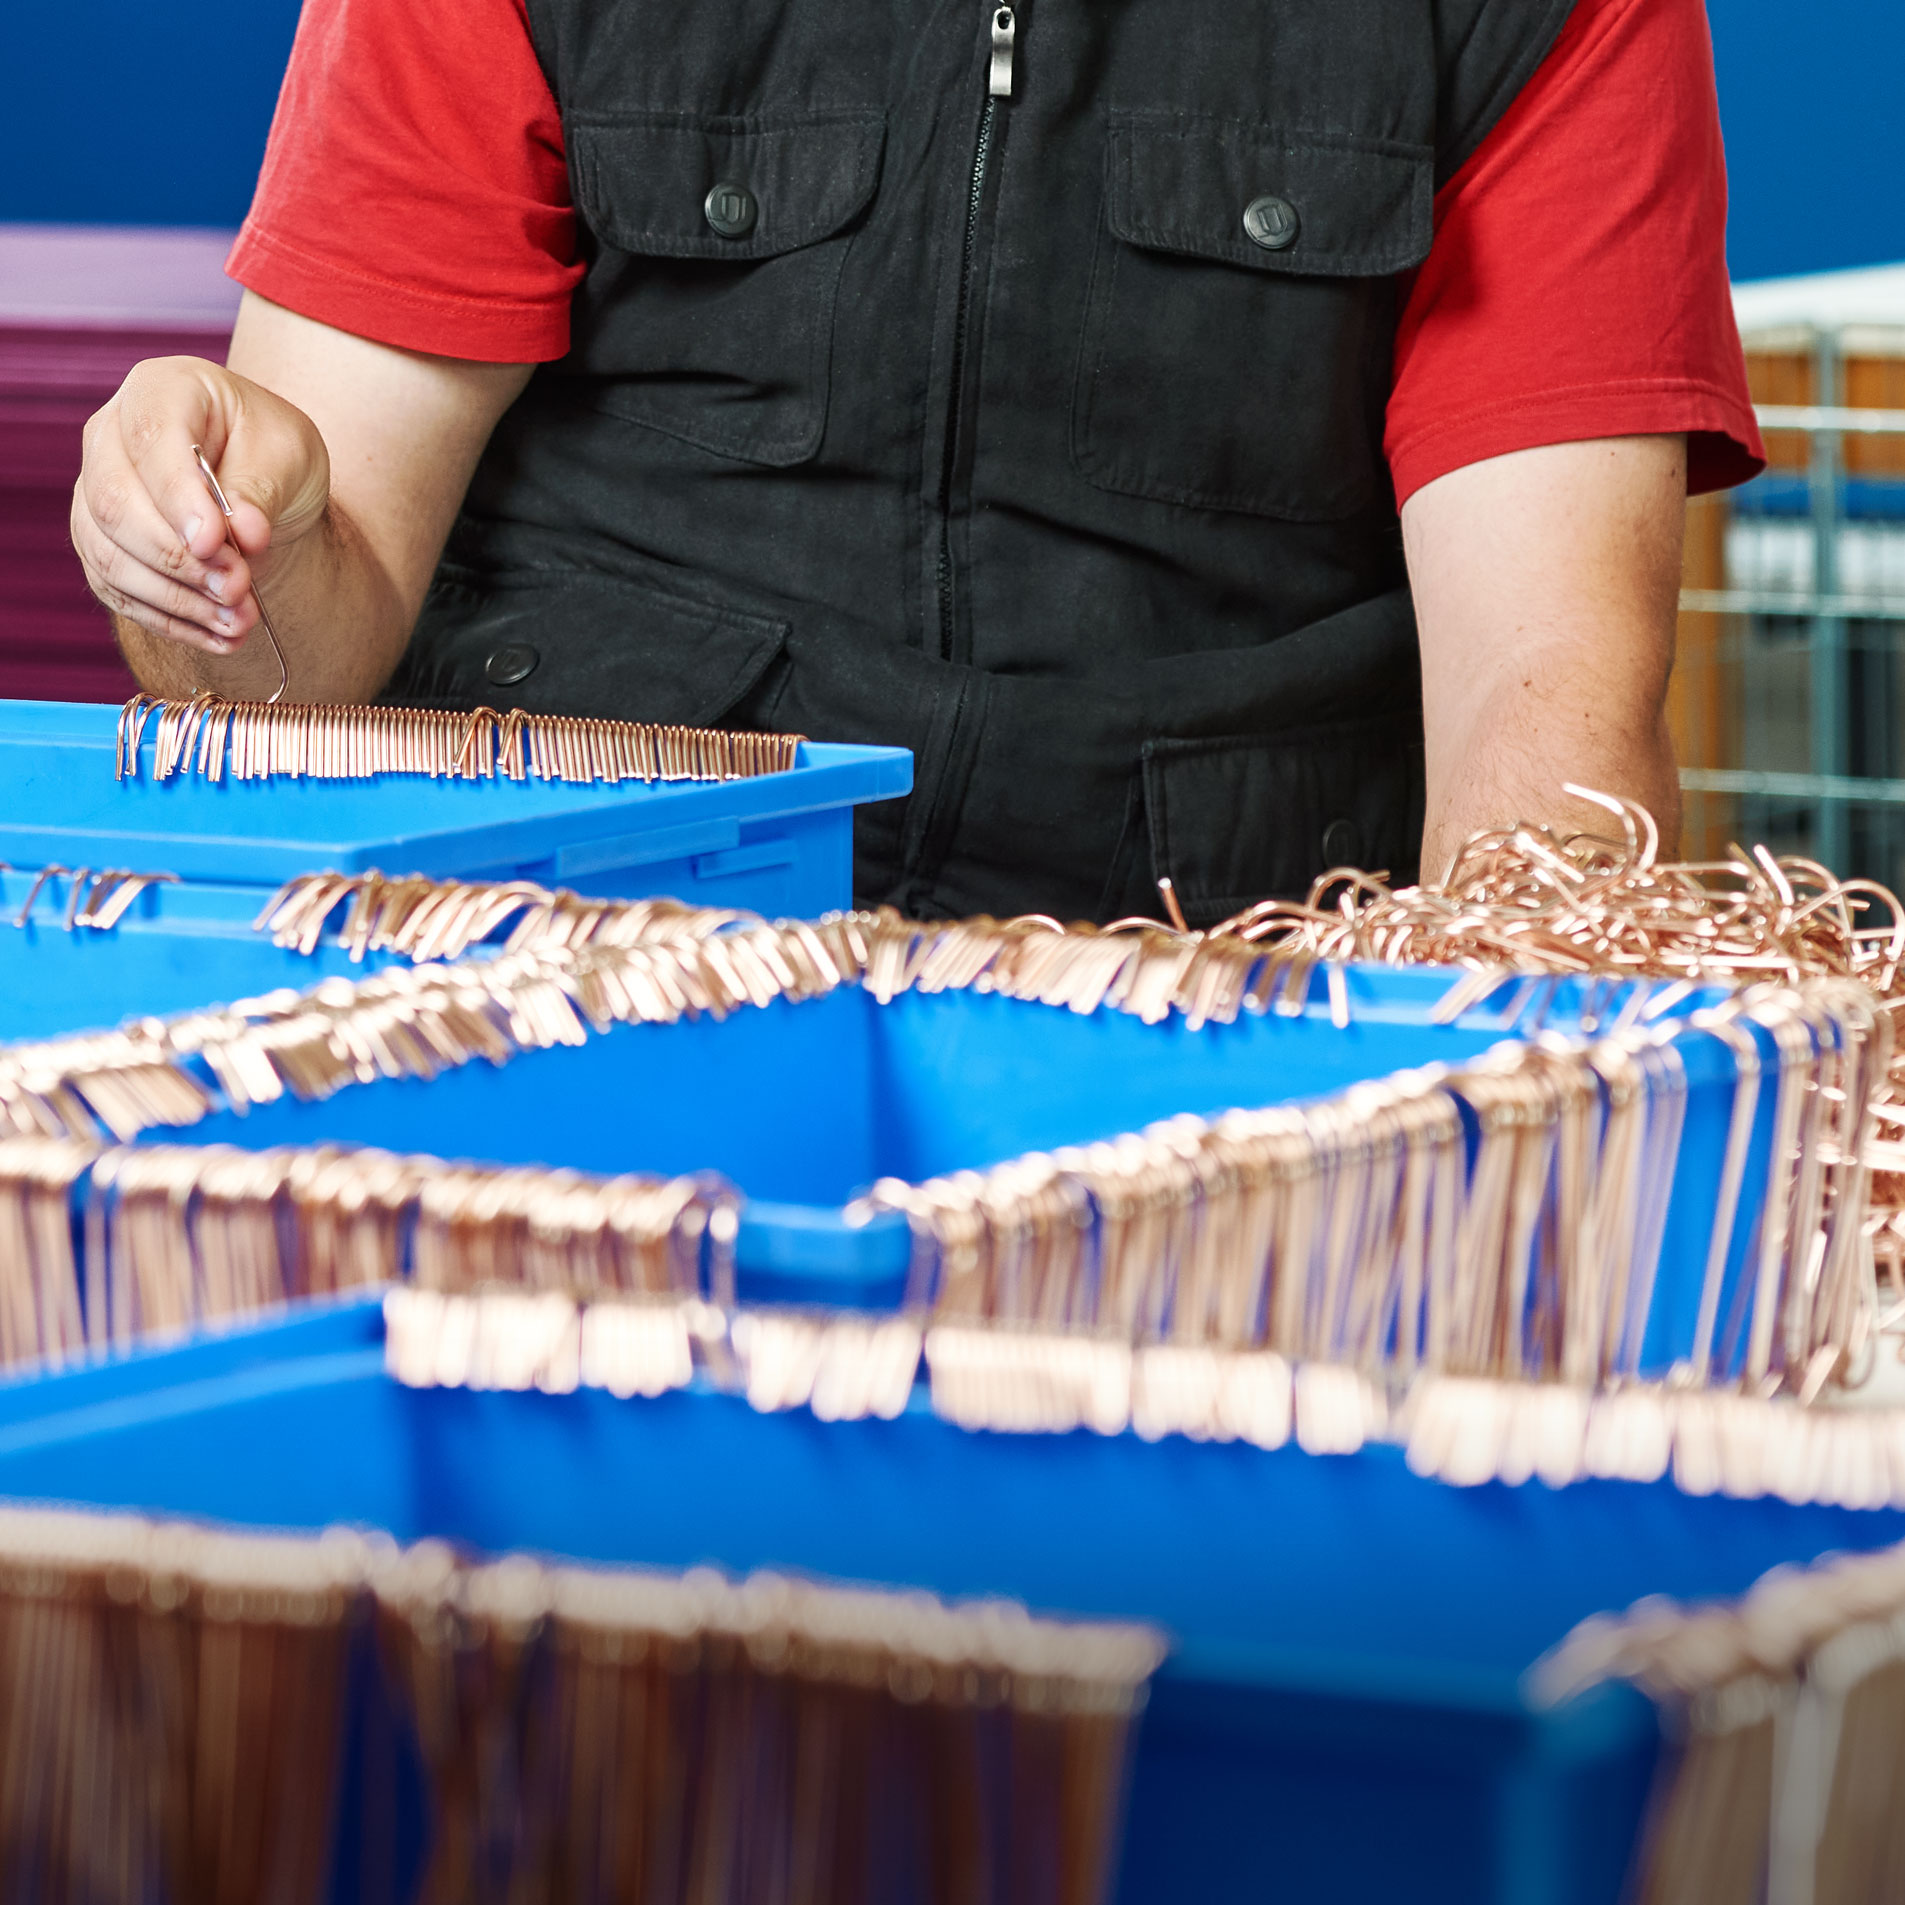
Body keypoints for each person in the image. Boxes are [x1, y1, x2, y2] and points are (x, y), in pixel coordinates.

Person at [73, 0, 1763, 924]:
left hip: (1202, 1005)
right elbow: (296, 649)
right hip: (583, 977)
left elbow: (1544, 694)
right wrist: (219, 559)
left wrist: (1513, 1081)